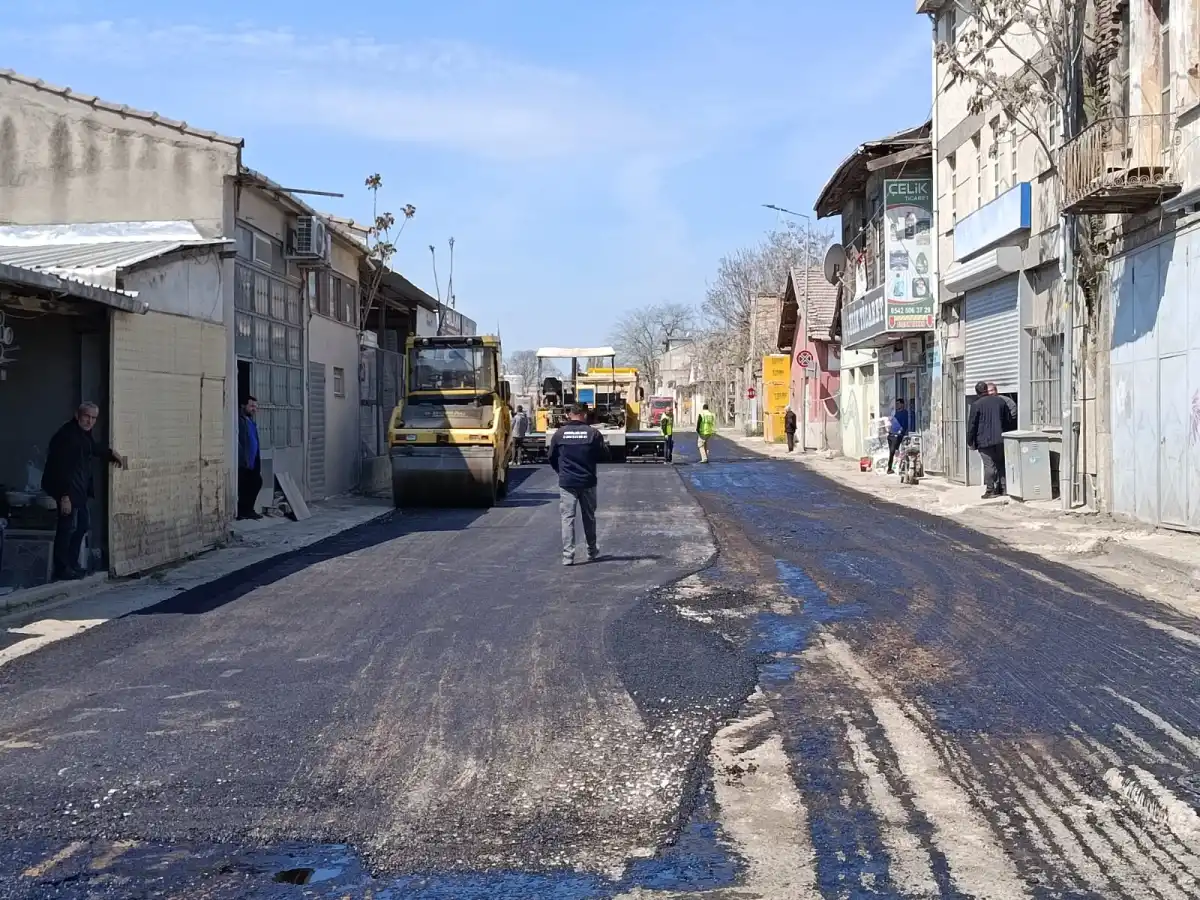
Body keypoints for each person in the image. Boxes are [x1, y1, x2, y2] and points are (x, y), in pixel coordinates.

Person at [42, 401, 126, 580]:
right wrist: (64, 495)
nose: (90, 421)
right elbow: (60, 468)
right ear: (77, 415)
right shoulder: (67, 436)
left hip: (78, 491)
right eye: (87, 416)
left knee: (81, 527)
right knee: (67, 529)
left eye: (93, 418)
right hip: (66, 490)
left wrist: (111, 453)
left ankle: (72, 564)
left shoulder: (83, 435)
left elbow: (93, 449)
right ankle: (62, 569)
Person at [549, 403, 606, 566]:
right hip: (587, 481)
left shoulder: (559, 434)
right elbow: (603, 455)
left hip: (567, 482)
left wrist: (562, 472)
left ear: (570, 414)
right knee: (589, 517)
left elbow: (551, 457)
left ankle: (568, 556)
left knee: (567, 518)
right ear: (584, 414)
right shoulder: (593, 434)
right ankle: (592, 551)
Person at [967, 381, 1015, 499]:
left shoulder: (976, 404)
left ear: (977, 392)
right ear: (986, 390)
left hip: (983, 440)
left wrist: (970, 441)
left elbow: (972, 425)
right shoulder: (1000, 401)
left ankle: (990, 490)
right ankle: (1004, 488)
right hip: (1000, 438)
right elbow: (1009, 420)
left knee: (989, 465)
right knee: (1000, 464)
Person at [238, 396, 263, 520]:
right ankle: (243, 511)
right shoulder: (239, 421)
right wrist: (243, 458)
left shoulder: (250, 421)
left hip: (254, 460)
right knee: (245, 486)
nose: (254, 409)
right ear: (243, 406)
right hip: (244, 461)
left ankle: (248, 510)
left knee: (256, 483)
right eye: (252, 406)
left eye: (255, 407)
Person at [886, 399, 911, 474]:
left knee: (893, 451)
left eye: (898, 404)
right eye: (896, 404)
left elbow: (905, 425)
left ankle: (891, 468)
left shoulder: (904, 413)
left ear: (902, 404)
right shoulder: (896, 413)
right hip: (891, 434)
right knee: (893, 451)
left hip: (897, 435)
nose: (897, 405)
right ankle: (893, 467)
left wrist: (900, 432)